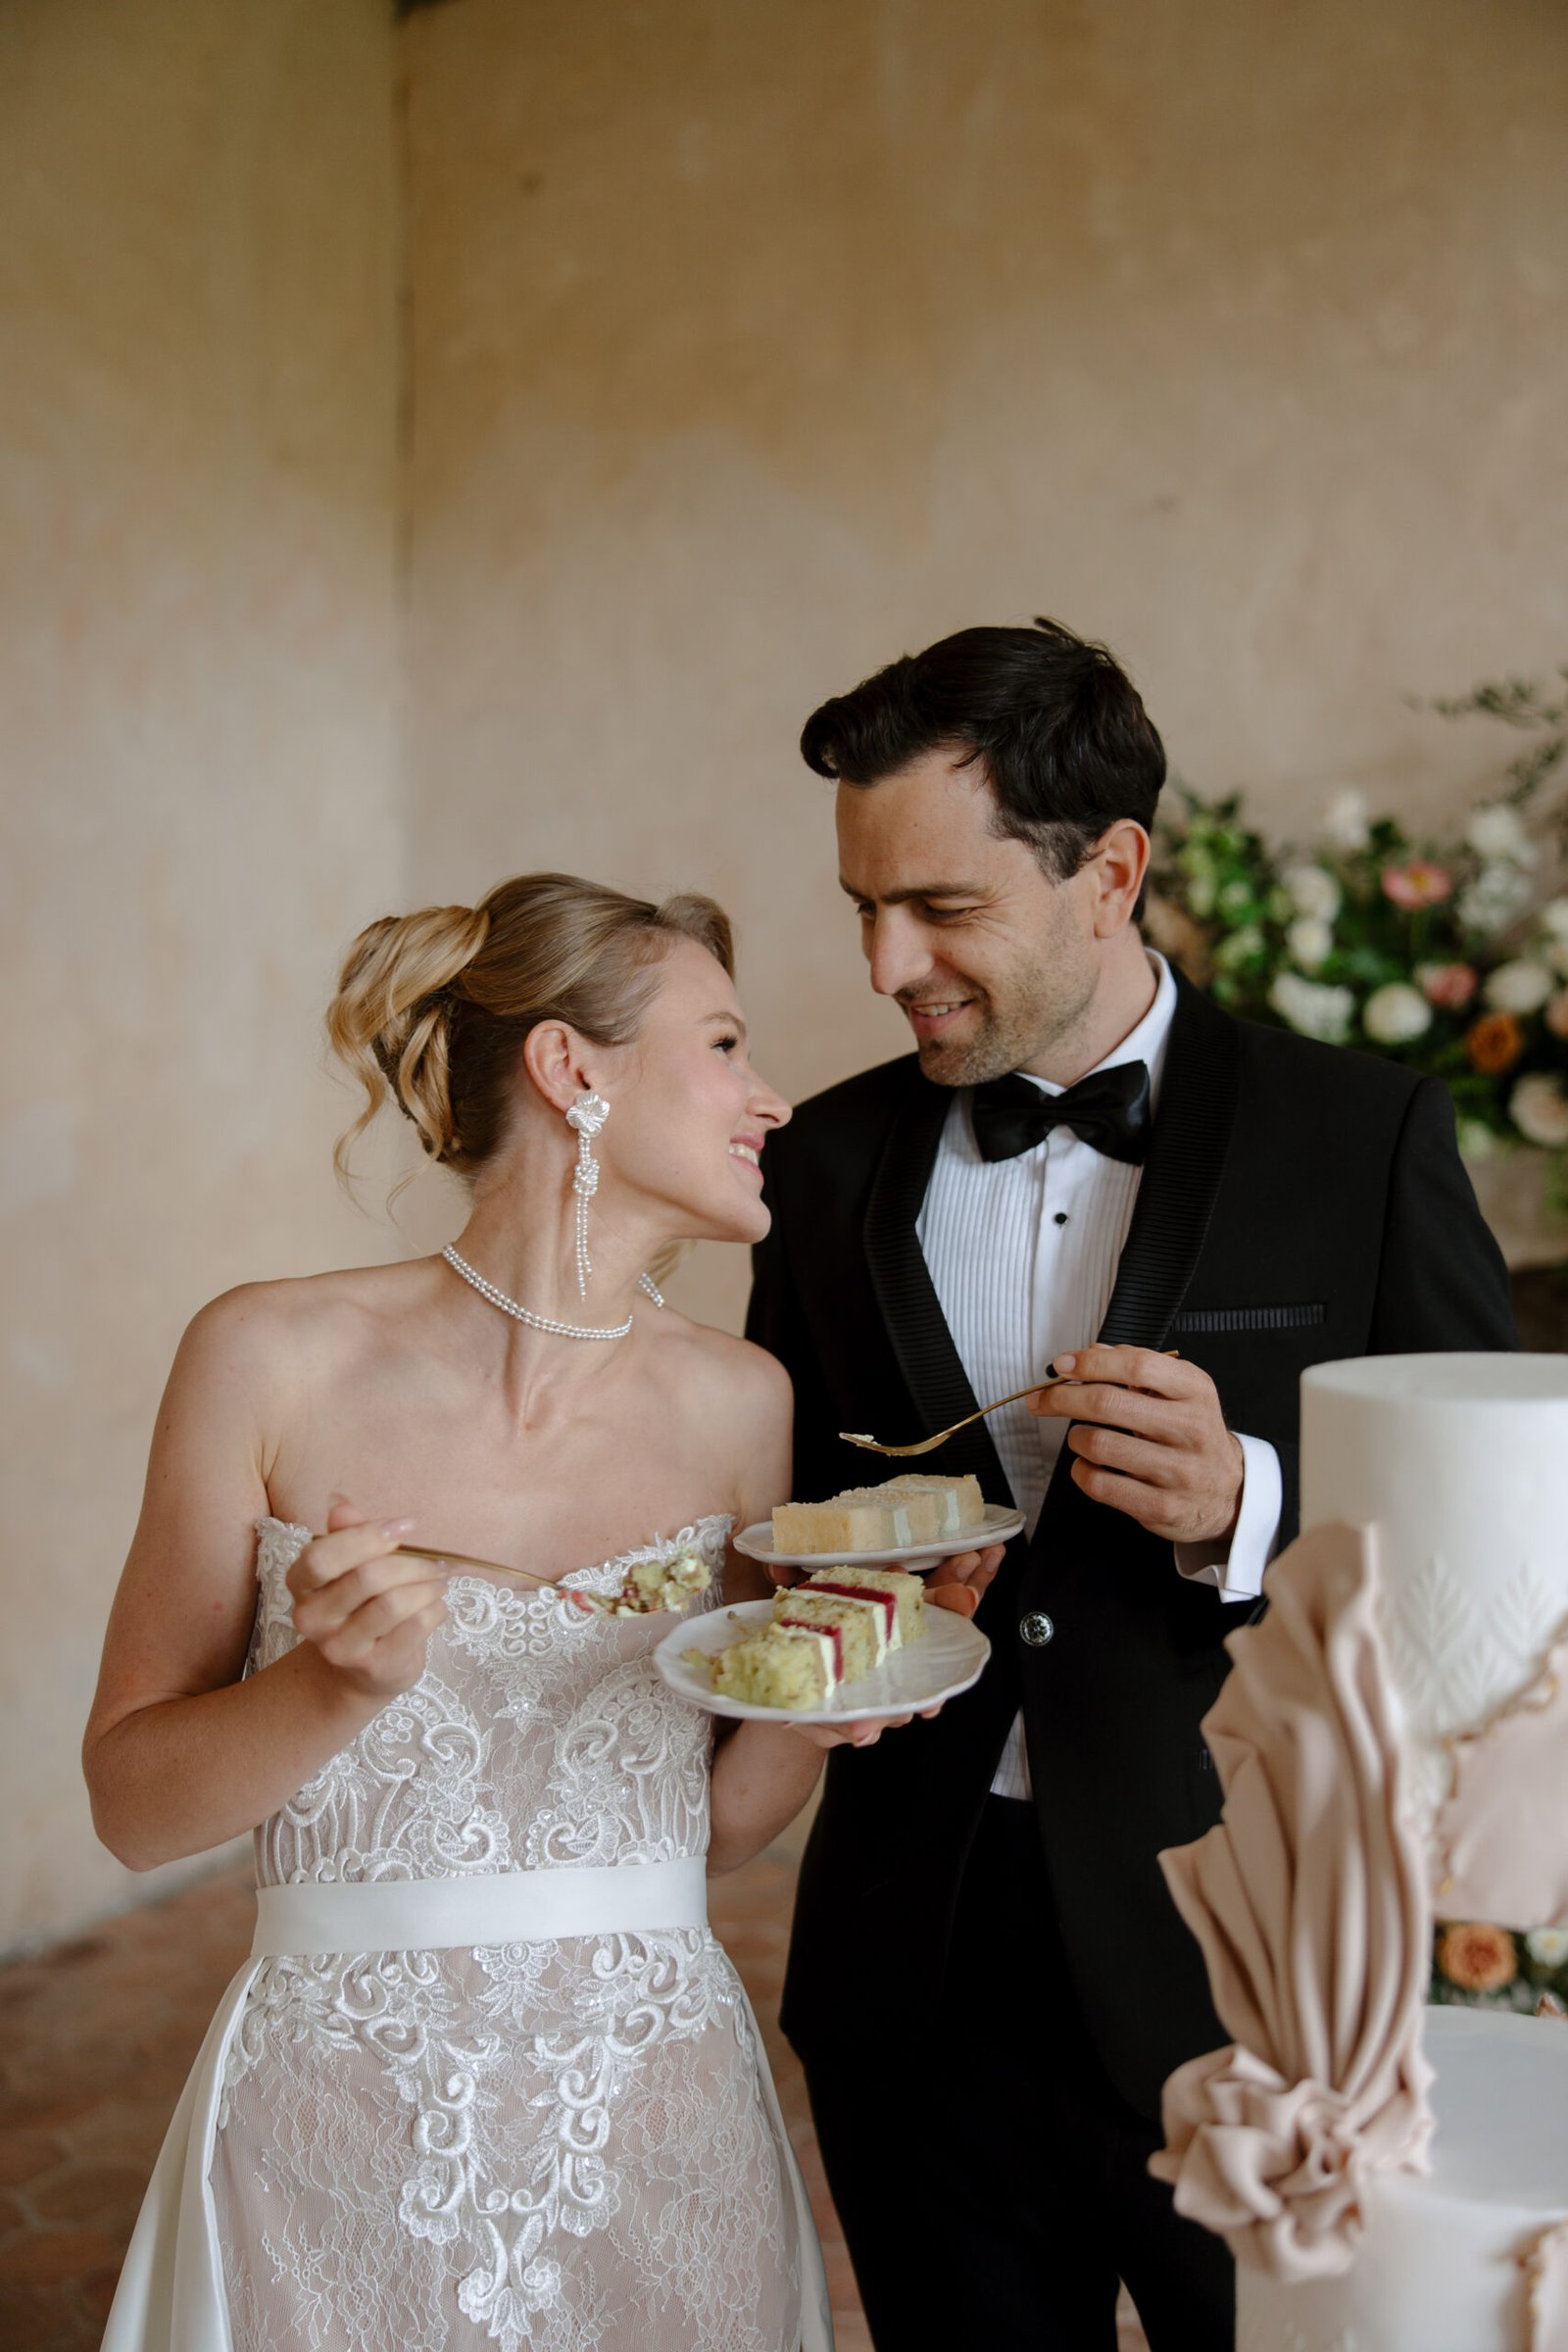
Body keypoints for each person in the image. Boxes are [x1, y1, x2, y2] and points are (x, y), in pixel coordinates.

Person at [746, 619, 1520, 2352]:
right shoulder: (820, 1165)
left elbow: (1497, 1541)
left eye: (941, 909)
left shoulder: (1360, 1136)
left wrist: (1248, 1497)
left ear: (1112, 871)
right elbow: (787, 1504)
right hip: (911, 1976)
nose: (886, 964)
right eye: (862, 907)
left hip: (1245, 1975)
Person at [89, 871, 906, 2352]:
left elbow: (708, 1830)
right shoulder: (267, 1357)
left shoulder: (744, 1402)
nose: (771, 1099)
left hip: (657, 2132)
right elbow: (134, 1808)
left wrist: (825, 1703)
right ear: (568, 1068)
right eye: (724, 1045)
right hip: (328, 2136)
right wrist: (325, 1690)